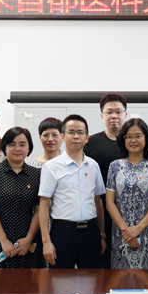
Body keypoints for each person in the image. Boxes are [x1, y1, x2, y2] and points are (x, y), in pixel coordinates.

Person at [39, 115, 106, 268]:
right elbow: (44, 204)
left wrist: (102, 234)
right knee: (61, 280)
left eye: (80, 132)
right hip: (63, 233)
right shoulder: (51, 167)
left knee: (91, 279)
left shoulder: (93, 165)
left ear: (87, 138)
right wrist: (46, 241)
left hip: (90, 232)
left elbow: (98, 201)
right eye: (71, 132)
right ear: (63, 136)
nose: (76, 136)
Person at [0, 127, 45, 268]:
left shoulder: (37, 174)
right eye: (12, 144)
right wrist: (4, 240)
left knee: (28, 280)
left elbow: (39, 211)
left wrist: (29, 239)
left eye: (22, 144)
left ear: (29, 148)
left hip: (27, 239)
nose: (17, 148)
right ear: (5, 148)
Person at [106, 118, 148, 269]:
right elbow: (110, 202)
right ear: (123, 140)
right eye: (129, 137)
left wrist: (138, 229)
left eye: (138, 136)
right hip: (122, 235)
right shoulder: (115, 166)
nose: (133, 140)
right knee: (122, 279)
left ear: (146, 138)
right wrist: (127, 231)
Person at [84, 93, 128, 268]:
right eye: (109, 112)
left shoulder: (133, 143)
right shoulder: (90, 143)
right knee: (101, 263)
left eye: (118, 111)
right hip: (99, 212)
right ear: (102, 116)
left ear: (125, 114)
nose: (114, 116)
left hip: (129, 213)